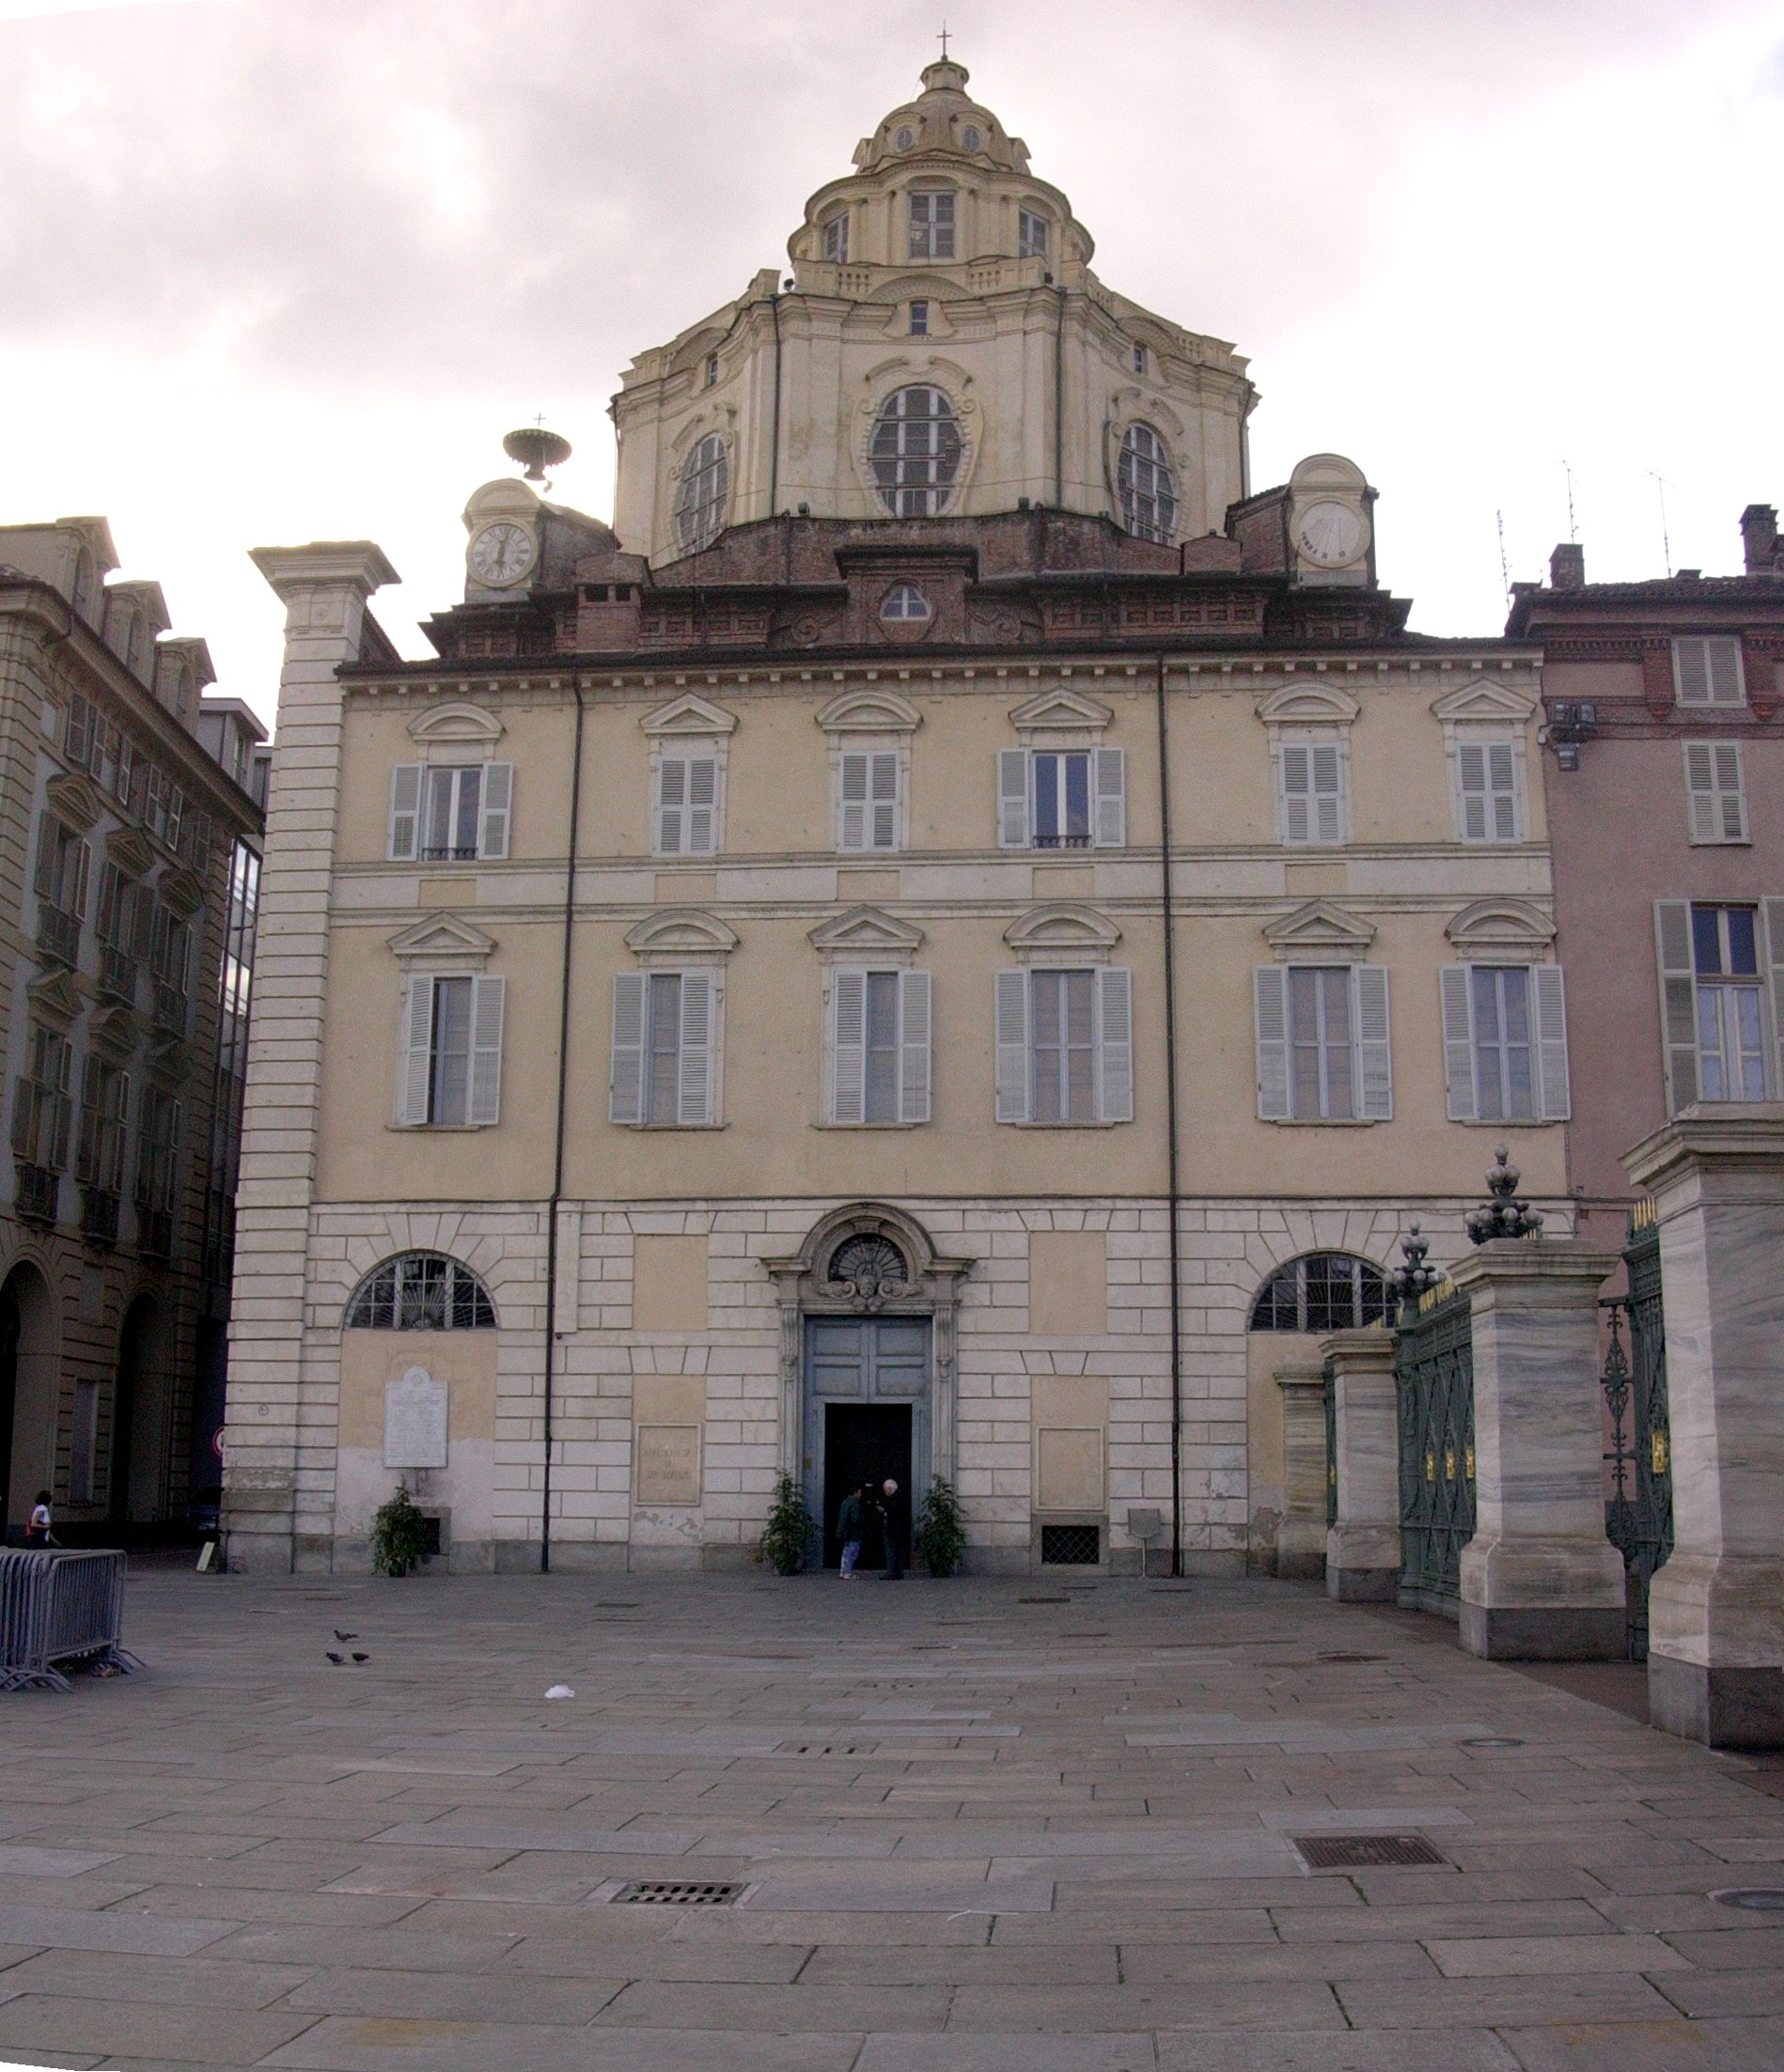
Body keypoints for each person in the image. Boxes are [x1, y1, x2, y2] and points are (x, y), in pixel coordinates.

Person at [878, 1476, 907, 1581]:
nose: (884, 1492)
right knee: (898, 1551)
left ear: (890, 1489)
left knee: (891, 1551)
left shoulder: (894, 1498)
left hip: (893, 1529)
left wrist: (884, 1511)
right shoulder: (901, 1496)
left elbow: (892, 1513)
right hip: (899, 1529)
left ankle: (891, 1572)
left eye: (885, 1489)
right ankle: (898, 1572)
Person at [837, 1485, 865, 1579]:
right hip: (853, 1533)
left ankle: (843, 1571)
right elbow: (855, 1519)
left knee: (845, 1552)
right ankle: (848, 1573)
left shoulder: (845, 1502)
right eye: (859, 1492)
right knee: (852, 1553)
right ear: (855, 1493)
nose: (860, 1494)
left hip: (845, 1532)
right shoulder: (854, 1504)